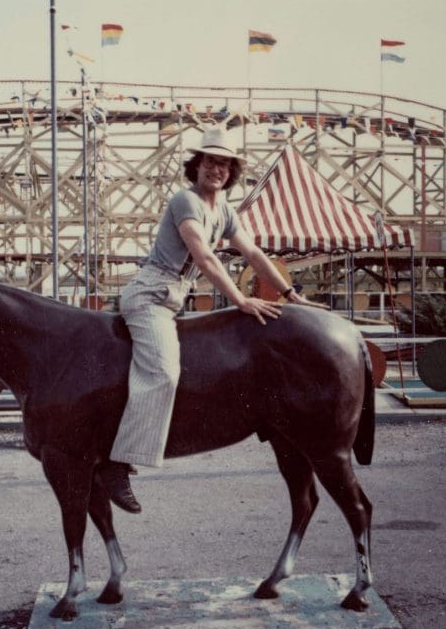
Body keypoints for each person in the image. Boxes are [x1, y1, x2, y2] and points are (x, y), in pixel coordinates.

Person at [98, 126, 312, 513]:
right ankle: (116, 465)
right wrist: (240, 299)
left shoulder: (225, 210)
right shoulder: (186, 200)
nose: (217, 169)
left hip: (172, 300)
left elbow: (254, 254)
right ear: (196, 166)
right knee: (163, 372)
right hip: (150, 297)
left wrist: (289, 294)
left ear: (232, 172)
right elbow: (204, 256)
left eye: (225, 164)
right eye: (211, 161)